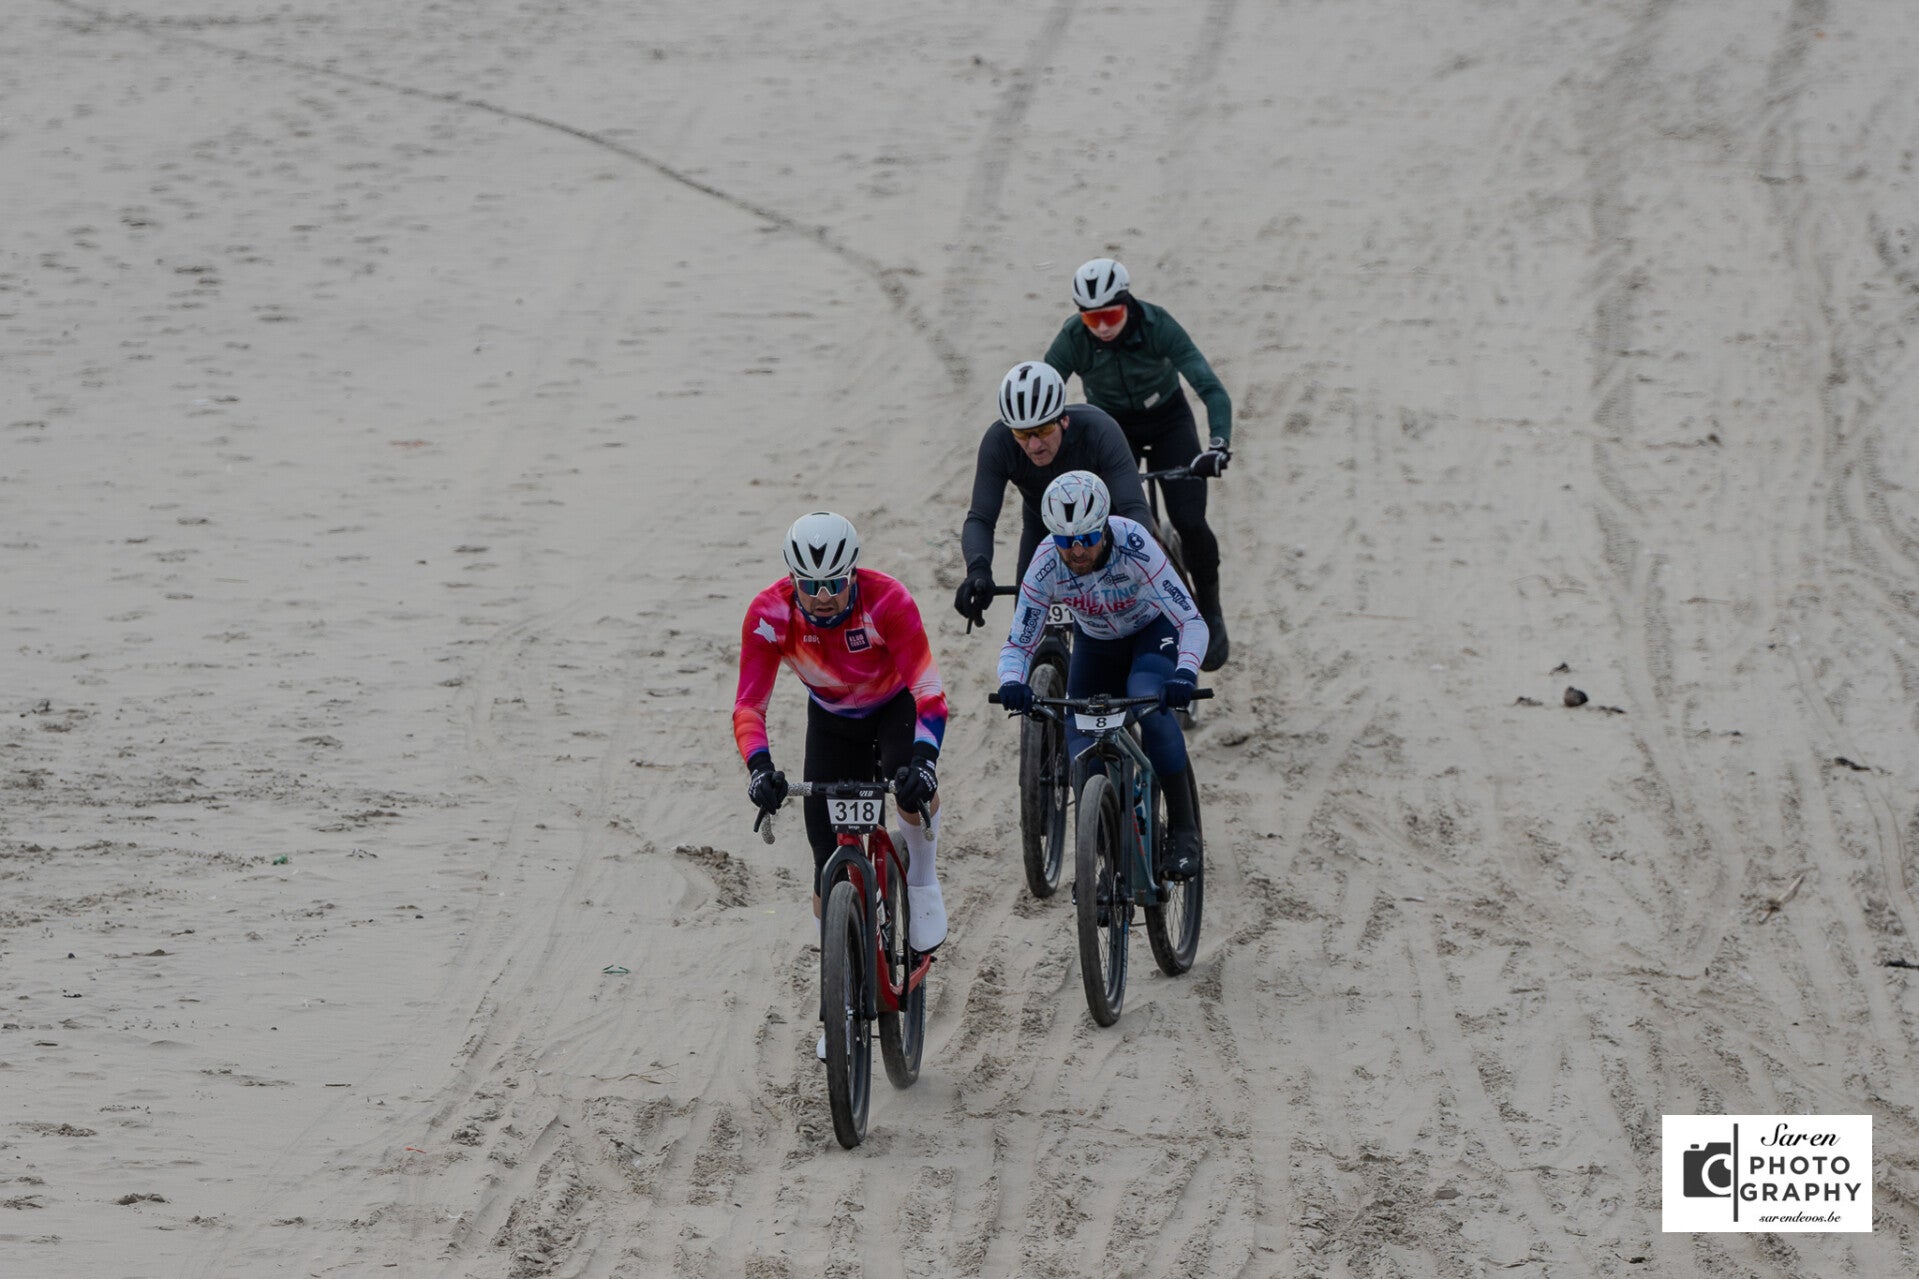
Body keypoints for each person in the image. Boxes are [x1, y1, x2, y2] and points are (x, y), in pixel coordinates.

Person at [734, 513, 950, 1054]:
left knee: (910, 790)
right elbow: (749, 706)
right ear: (793, 579)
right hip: (831, 721)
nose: (824, 596)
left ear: (854, 572)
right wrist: (759, 768)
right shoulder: (768, 614)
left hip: (893, 707)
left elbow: (929, 693)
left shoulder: (887, 600)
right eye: (810, 585)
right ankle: (838, 1004)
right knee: (823, 860)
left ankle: (922, 880)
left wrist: (924, 763)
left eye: (835, 582)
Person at [996, 472, 1207, 876]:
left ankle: (1184, 830)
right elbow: (1019, 643)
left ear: (1104, 528)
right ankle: (1111, 847)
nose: (1076, 551)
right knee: (1080, 744)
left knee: (1148, 700)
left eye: (1087, 538)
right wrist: (1012, 682)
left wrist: (1184, 673)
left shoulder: (1134, 544)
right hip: (1097, 645)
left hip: (1152, 633)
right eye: (1065, 541)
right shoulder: (1045, 564)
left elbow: (1191, 621)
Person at [1042, 258, 1233, 670]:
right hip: (1113, 430)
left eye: (1110, 316)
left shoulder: (1158, 324)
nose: (1102, 328)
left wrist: (1218, 444)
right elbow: (1043, 394)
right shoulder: (1073, 337)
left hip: (1169, 422)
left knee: (1190, 519)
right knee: (1114, 524)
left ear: (1128, 303)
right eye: (1091, 319)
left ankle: (1210, 608)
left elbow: (1210, 387)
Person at [953, 360, 1154, 627]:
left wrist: (1130, 557)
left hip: (1107, 526)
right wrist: (978, 571)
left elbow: (1133, 508)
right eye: (1022, 433)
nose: (1034, 445)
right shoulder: (998, 443)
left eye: (1044, 430)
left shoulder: (1099, 430)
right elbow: (981, 518)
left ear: (1064, 420)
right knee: (1026, 624)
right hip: (1043, 527)